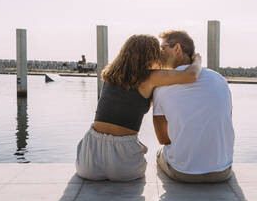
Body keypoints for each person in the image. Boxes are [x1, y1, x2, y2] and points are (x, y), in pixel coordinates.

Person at [76, 34, 202, 181]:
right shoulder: (150, 77)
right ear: (151, 56)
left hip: (89, 159)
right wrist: (197, 60)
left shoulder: (110, 75)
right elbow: (192, 75)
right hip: (124, 163)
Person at [153, 30, 234, 183]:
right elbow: (227, 120)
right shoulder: (219, 79)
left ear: (177, 49)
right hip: (223, 171)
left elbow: (163, 138)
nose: (158, 54)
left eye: (162, 48)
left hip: (183, 173)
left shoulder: (161, 87)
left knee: (159, 153)